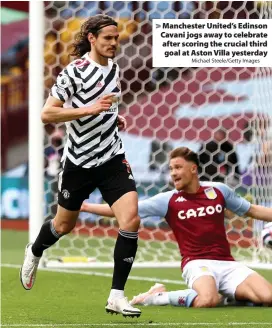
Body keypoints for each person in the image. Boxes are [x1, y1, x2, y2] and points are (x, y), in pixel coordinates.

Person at [20, 14, 141, 318]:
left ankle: (116, 296)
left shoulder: (115, 69)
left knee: (131, 220)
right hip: (79, 163)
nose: (115, 43)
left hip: (112, 157)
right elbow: (47, 115)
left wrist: (113, 118)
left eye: (116, 38)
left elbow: (106, 107)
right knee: (63, 226)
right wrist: (90, 110)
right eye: (108, 38)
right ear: (92, 38)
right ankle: (35, 250)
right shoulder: (72, 73)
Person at [80, 147, 272, 308]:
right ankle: (157, 297)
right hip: (196, 263)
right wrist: (85, 206)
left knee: (268, 298)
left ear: (193, 169)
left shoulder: (218, 190)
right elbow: (126, 209)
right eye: (171, 169)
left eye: (178, 168)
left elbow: (253, 210)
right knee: (208, 300)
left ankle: (230, 296)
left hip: (228, 263)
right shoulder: (168, 200)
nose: (173, 173)